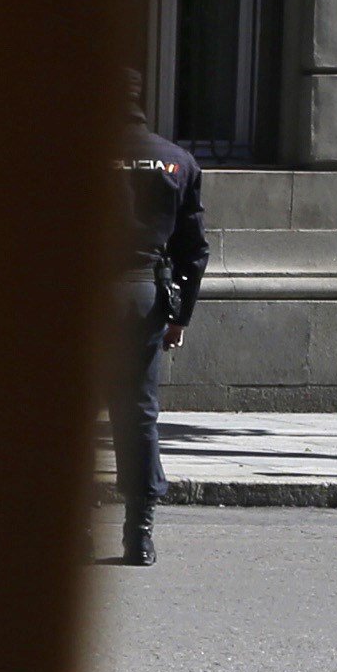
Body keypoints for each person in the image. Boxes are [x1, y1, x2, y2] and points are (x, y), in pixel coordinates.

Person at [114, 109, 210, 567]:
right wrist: (179, 316)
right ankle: (140, 535)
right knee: (138, 413)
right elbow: (193, 249)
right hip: (142, 294)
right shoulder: (177, 160)